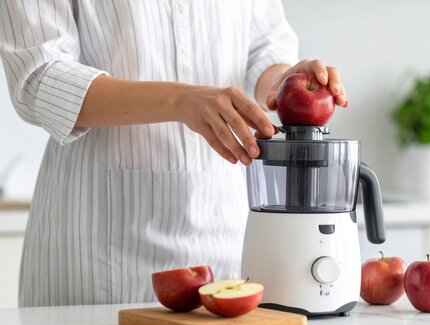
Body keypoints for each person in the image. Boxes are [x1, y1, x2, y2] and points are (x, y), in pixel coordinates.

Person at [0, 1, 348, 307]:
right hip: (96, 252)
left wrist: (283, 81)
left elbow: (264, 46)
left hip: (226, 242)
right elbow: (39, 78)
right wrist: (179, 101)